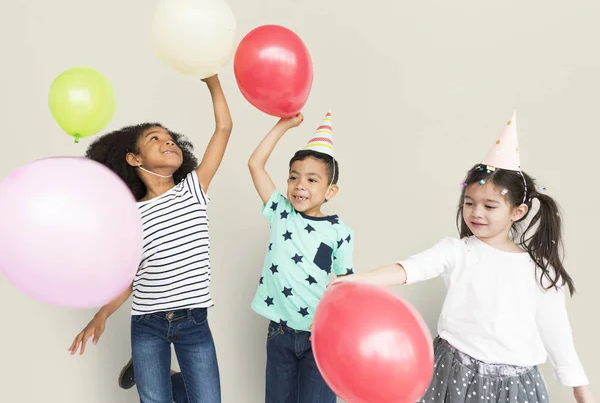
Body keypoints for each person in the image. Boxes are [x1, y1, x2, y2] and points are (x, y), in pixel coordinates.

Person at [337, 112, 594, 403]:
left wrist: (579, 385)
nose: (476, 213)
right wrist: (357, 280)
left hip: (514, 387)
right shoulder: (457, 250)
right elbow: (410, 269)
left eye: (490, 205)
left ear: (517, 212)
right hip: (452, 372)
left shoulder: (539, 270)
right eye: (469, 203)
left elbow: (556, 329)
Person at [67, 75, 232, 403]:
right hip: (148, 322)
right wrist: (101, 316)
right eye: (156, 138)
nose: (168, 141)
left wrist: (212, 80)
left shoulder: (193, 190)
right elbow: (130, 277)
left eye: (171, 139)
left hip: (193, 320)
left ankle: (168, 375)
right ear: (134, 159)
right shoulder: (129, 215)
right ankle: (156, 373)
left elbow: (224, 128)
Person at [248, 112, 354, 403]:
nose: (299, 185)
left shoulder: (339, 232)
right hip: (279, 332)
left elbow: (346, 285)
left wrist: (336, 324)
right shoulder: (281, 212)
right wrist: (283, 126)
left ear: (330, 190)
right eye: (293, 177)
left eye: (311, 179)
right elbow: (255, 164)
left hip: (320, 336)